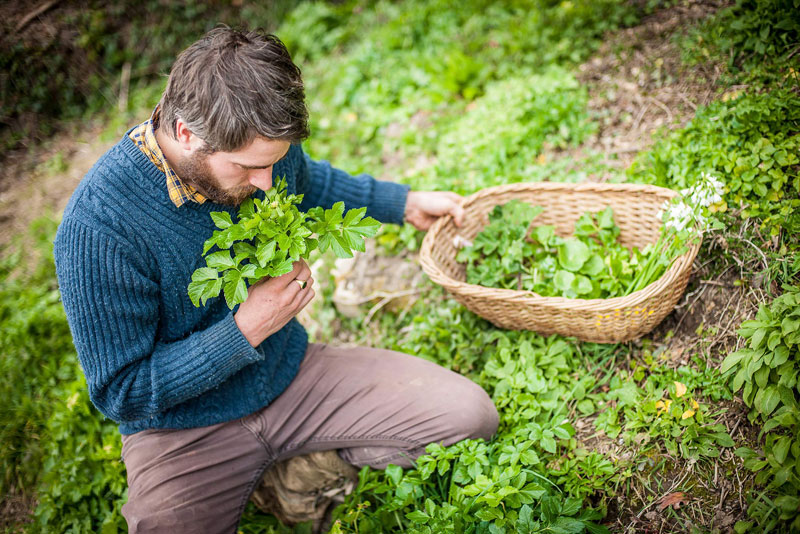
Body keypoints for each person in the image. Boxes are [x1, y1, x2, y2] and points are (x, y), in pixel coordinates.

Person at [53, 27, 498, 533]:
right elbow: (122, 391)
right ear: (185, 134)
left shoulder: (265, 152)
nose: (267, 183)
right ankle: (267, 473)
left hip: (288, 377)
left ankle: (293, 475)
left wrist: (405, 202)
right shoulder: (99, 230)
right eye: (249, 167)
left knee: (468, 417)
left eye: (275, 161)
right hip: (182, 431)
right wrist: (244, 330)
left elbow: (313, 185)